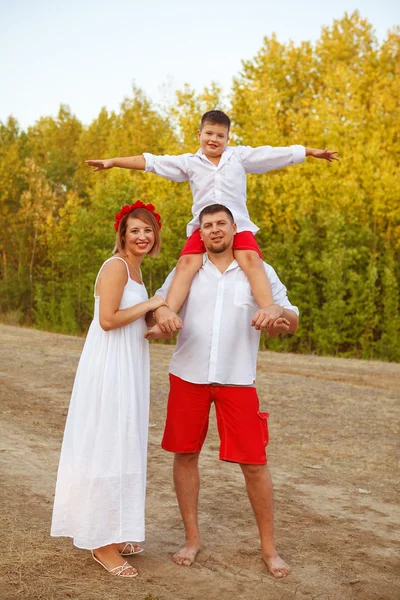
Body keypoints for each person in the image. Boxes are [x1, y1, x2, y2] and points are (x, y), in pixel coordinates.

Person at [146, 204, 299, 579]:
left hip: (237, 379)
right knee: (184, 456)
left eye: (221, 224)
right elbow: (155, 310)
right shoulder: (186, 270)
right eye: (207, 225)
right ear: (199, 233)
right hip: (187, 376)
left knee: (255, 464)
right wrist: (160, 316)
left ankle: (269, 548)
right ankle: (192, 539)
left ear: (234, 228)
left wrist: (278, 312)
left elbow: (292, 321)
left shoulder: (257, 270)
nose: (214, 230)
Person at [86, 109, 337, 334]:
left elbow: (272, 155)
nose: (213, 140)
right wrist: (114, 162)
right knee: (186, 263)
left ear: (228, 138)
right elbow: (152, 162)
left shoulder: (239, 157)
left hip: (237, 224)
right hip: (204, 227)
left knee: (250, 260)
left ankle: (268, 309)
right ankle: (167, 317)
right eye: (209, 133)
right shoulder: (190, 162)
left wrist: (309, 152)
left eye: (220, 135)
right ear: (199, 134)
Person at [51, 201, 168, 578]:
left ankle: (117, 530)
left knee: (125, 443)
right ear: (122, 235)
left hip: (129, 363)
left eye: (147, 230)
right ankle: (100, 544)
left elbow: (132, 315)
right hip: (110, 366)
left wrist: (155, 319)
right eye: (135, 230)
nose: (142, 236)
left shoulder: (136, 270)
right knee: (106, 444)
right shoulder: (116, 266)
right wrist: (152, 304)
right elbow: (107, 320)